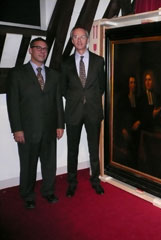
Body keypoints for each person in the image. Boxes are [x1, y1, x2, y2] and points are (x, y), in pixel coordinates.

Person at [6, 37, 64, 209]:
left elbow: (58, 102)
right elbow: (13, 104)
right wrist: (17, 129)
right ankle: (28, 195)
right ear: (30, 50)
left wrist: (60, 125)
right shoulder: (17, 73)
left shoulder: (54, 75)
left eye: (45, 49)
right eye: (38, 48)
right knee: (28, 165)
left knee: (49, 164)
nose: (42, 51)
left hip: (49, 129)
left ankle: (48, 191)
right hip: (27, 130)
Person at [61, 26, 105, 197]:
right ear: (72, 41)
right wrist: (77, 99)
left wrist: (89, 99)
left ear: (87, 39)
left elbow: (101, 86)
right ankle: (72, 182)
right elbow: (63, 89)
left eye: (82, 37)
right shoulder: (65, 64)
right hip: (73, 112)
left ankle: (96, 180)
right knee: (72, 150)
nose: (79, 40)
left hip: (93, 111)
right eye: (75, 37)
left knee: (94, 149)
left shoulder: (98, 61)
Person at [114, 76, 140, 167]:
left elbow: (139, 114)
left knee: (135, 155)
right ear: (128, 84)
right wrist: (123, 129)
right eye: (131, 82)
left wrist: (138, 122)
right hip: (125, 130)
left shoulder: (137, 98)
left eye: (134, 83)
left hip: (135, 131)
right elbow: (118, 116)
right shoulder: (123, 98)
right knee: (125, 156)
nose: (133, 85)